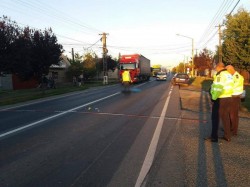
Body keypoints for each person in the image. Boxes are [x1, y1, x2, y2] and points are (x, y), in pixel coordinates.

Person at [205, 62, 234, 142]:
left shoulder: (220, 75)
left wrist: (213, 99)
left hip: (220, 99)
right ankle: (227, 136)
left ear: (218, 67)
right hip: (228, 97)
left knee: (215, 117)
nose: (215, 69)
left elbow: (217, 89)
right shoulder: (229, 75)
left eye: (215, 68)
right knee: (226, 117)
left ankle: (214, 137)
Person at [226, 65, 244, 136]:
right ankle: (231, 128)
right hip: (234, 96)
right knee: (231, 113)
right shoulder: (236, 76)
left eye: (227, 71)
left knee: (233, 114)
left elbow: (231, 87)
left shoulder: (236, 77)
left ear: (230, 69)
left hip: (234, 97)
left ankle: (234, 130)